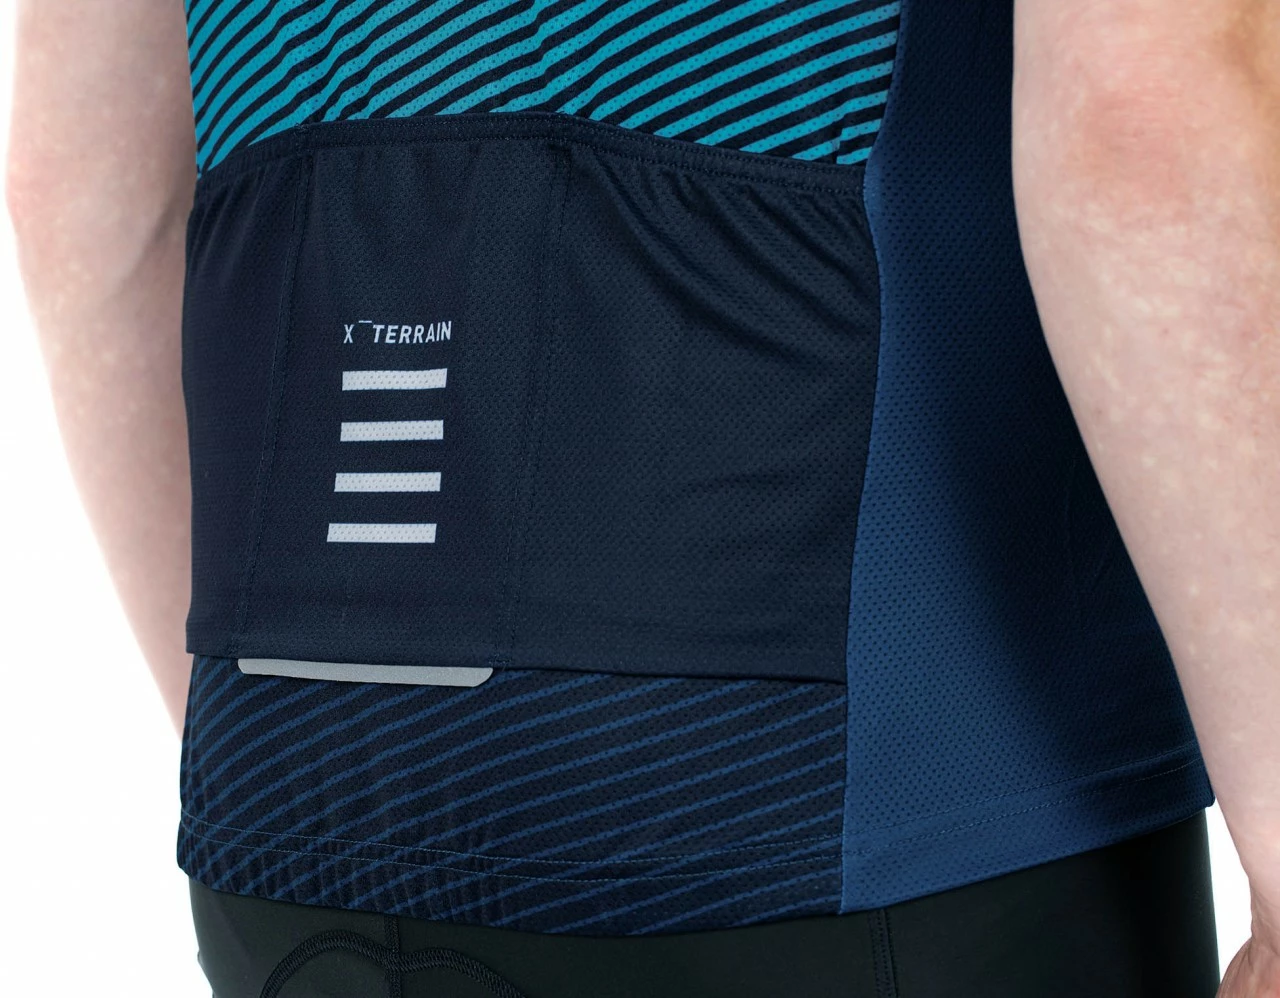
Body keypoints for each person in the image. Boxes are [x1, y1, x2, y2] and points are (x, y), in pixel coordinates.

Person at [7, 0, 1279, 995]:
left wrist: (295, 718)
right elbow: (1143, 110)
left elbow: (77, 184)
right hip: (856, 817)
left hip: (288, 803)